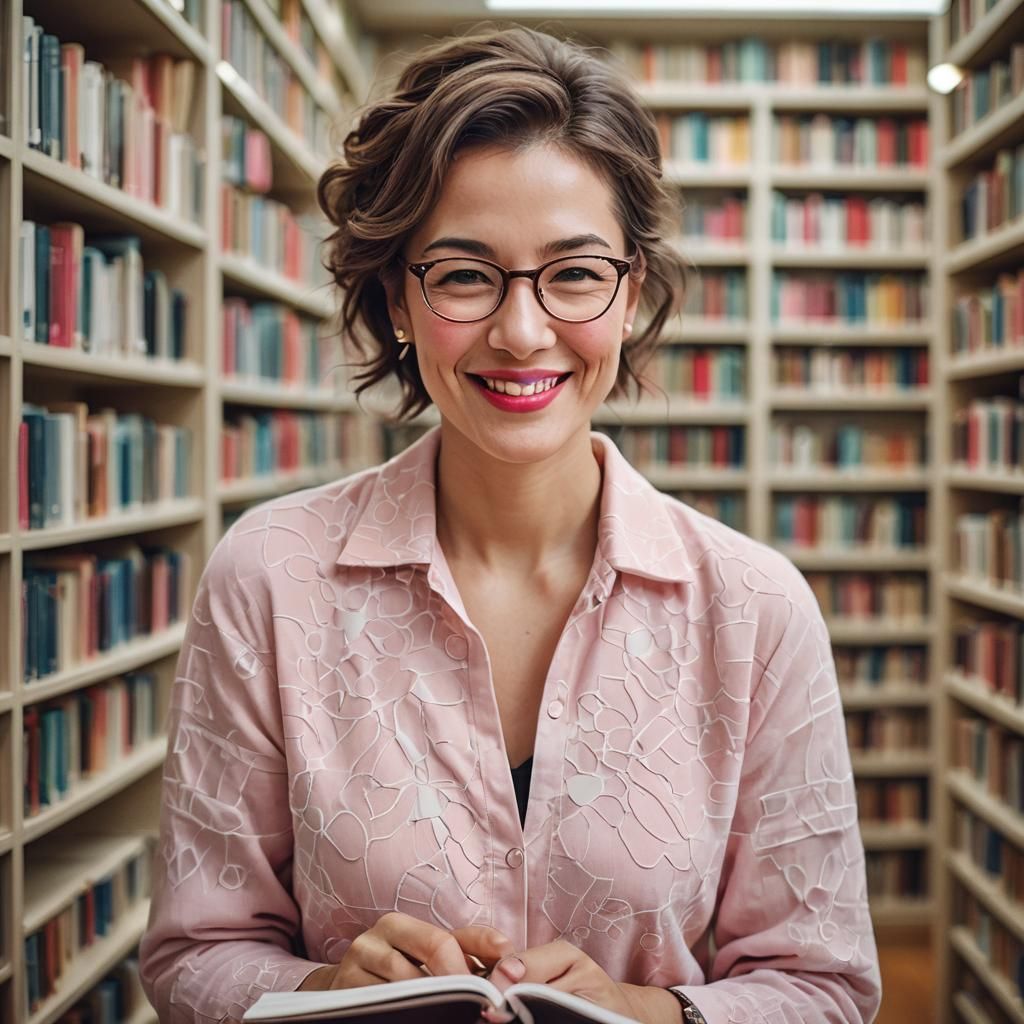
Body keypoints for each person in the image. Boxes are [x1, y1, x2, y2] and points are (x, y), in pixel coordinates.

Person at [140, 25, 882, 1024]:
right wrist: (320, 991)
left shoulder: (753, 608)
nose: (521, 330)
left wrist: (652, 1011)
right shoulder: (268, 577)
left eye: (574, 273)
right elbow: (193, 954)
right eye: (462, 273)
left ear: (632, 294)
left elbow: (826, 985)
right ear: (397, 295)